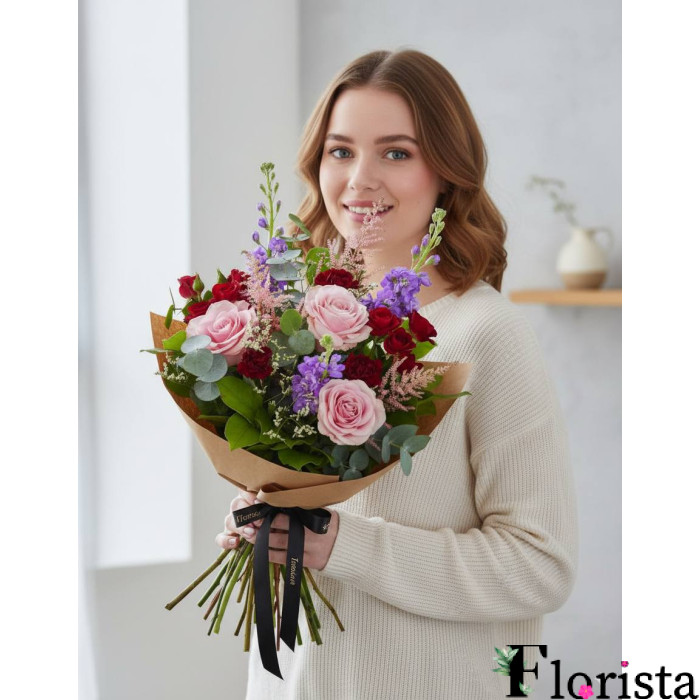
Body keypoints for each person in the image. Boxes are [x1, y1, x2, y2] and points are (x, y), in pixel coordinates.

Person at [215, 49, 578, 700]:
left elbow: (540, 565)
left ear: (448, 171)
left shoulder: (487, 333)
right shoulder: (300, 323)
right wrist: (268, 525)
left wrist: (341, 546)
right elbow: (319, 517)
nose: (360, 180)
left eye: (396, 152)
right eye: (341, 151)